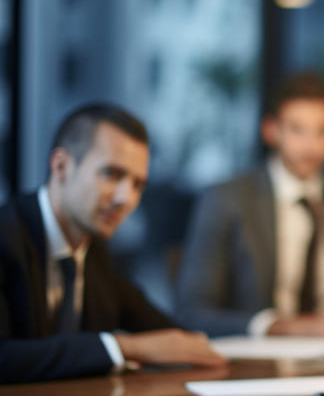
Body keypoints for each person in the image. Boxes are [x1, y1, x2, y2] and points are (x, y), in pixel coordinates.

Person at [0, 104, 225, 383]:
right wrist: (124, 347)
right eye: (112, 175)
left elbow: (169, 335)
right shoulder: (6, 235)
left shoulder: (93, 252)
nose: (126, 199)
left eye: (137, 185)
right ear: (61, 166)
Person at [177, 73, 324, 338]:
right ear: (271, 130)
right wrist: (281, 326)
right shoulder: (227, 199)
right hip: (259, 361)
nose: (310, 145)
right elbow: (192, 313)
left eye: (322, 131)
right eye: (296, 129)